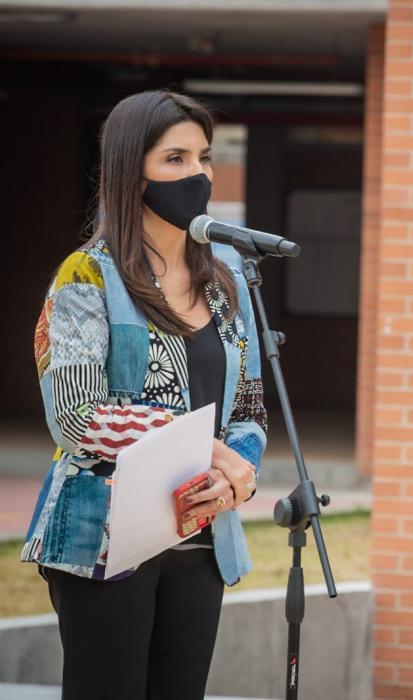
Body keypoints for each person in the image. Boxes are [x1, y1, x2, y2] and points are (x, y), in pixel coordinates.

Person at [21, 90, 267, 699]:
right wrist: (210, 453)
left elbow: (251, 409)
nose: (198, 175)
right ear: (131, 171)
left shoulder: (228, 281)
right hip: (103, 537)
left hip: (200, 537)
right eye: (176, 159)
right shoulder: (87, 275)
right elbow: (77, 416)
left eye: (205, 158)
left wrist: (239, 477)